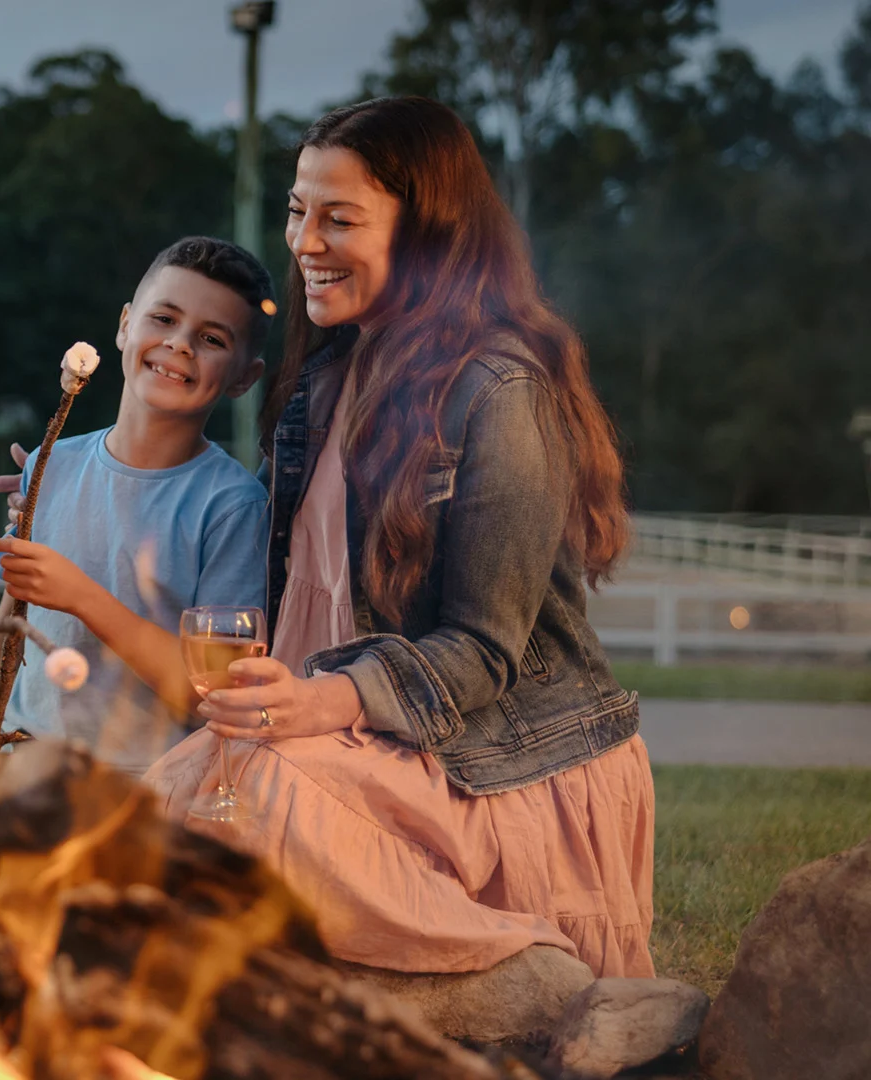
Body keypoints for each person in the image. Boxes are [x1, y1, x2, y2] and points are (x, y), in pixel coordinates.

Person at [145, 97, 655, 978]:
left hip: (492, 761)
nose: (304, 241)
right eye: (299, 210)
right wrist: (80, 490)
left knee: (256, 793)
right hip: (352, 740)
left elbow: (481, 651)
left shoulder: (498, 393)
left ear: (427, 235)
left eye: (339, 219)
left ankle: (530, 969)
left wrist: (321, 703)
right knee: (158, 798)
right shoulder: (325, 380)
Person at [0, 237, 271, 776]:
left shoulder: (234, 507)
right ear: (124, 325)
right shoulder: (52, 462)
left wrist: (83, 598)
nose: (180, 344)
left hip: (148, 793)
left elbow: (212, 693)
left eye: (210, 338)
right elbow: (6, 632)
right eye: (164, 318)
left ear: (244, 378)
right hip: (22, 773)